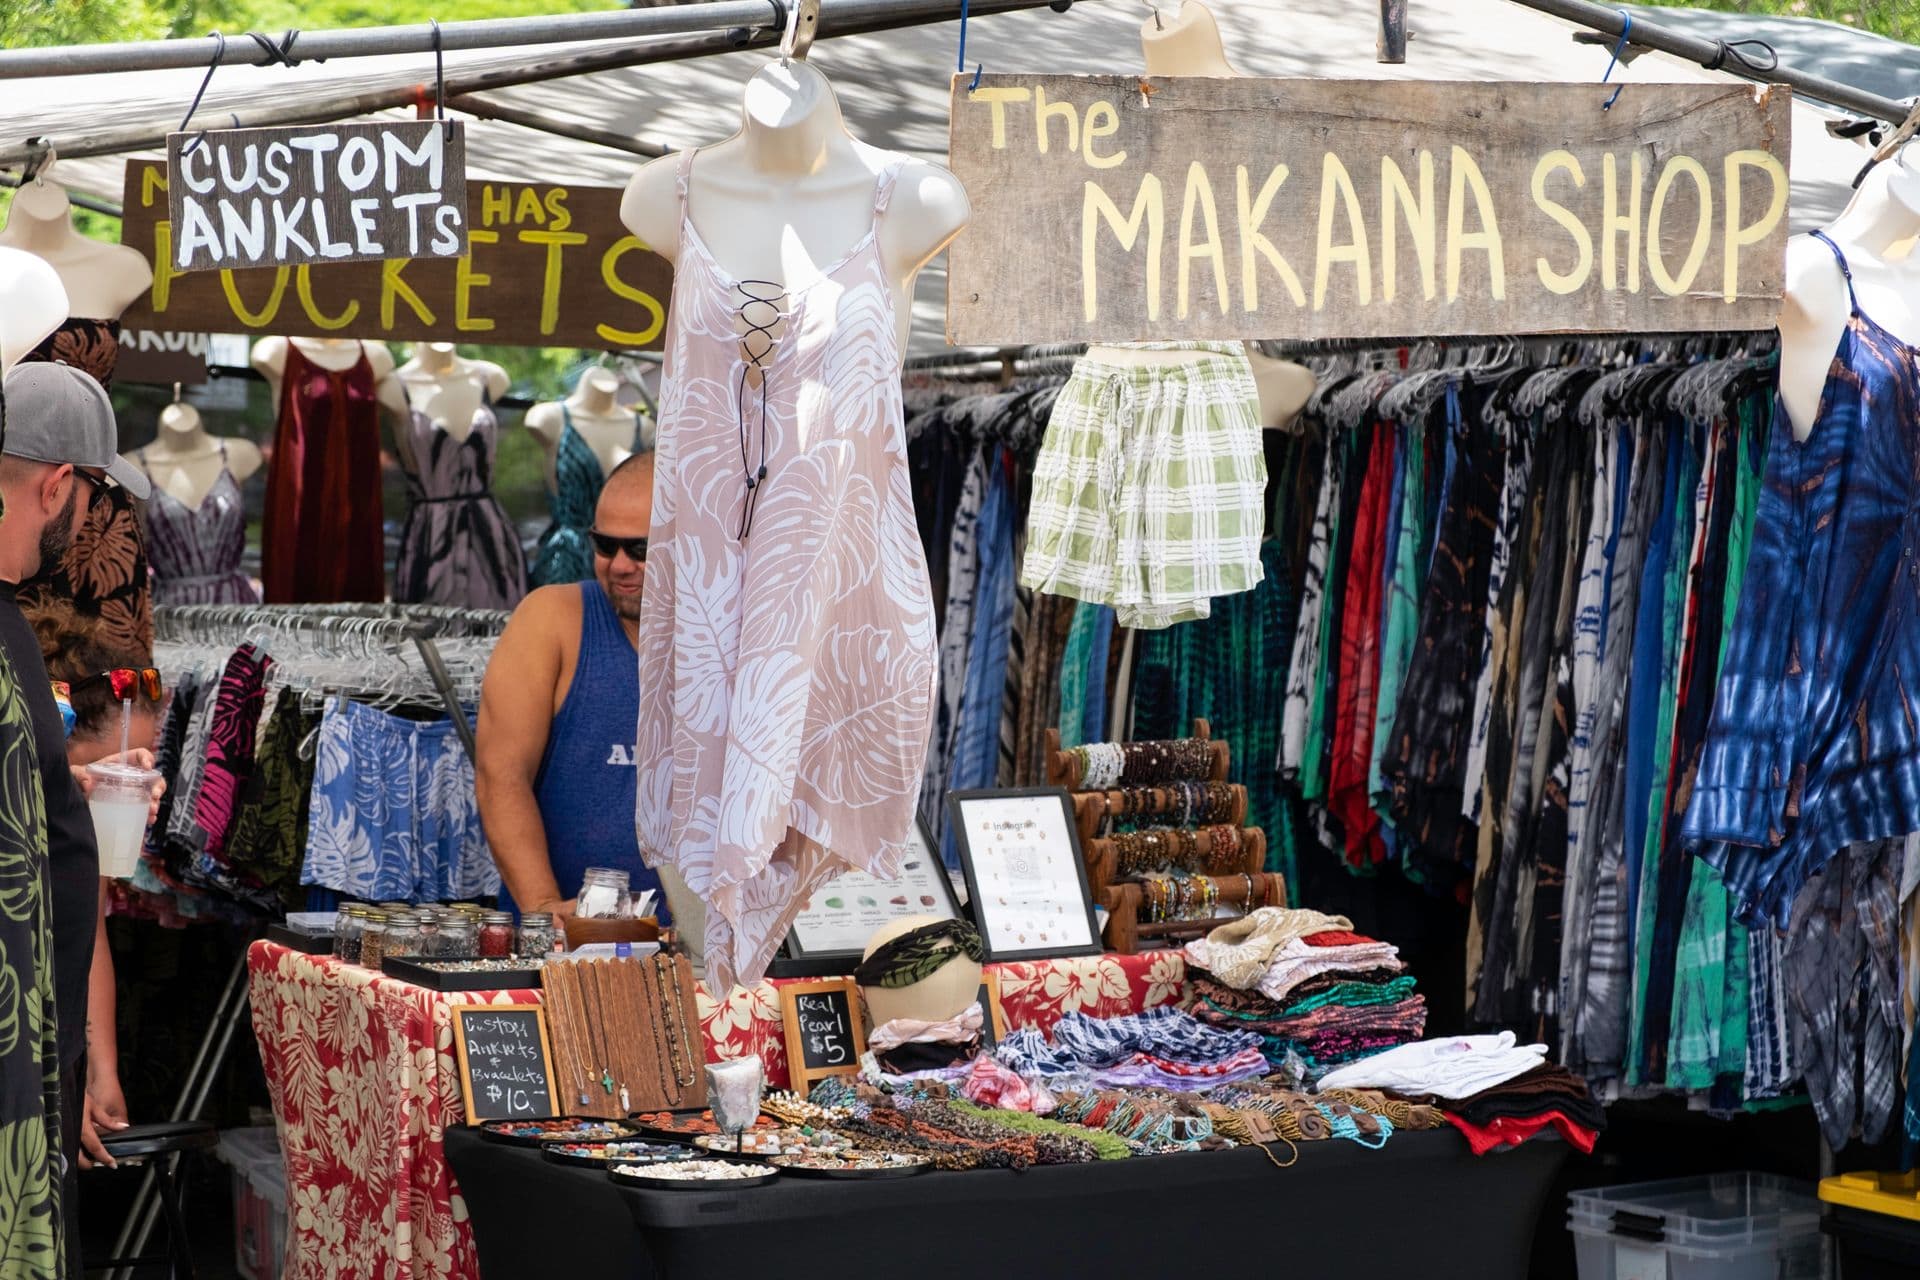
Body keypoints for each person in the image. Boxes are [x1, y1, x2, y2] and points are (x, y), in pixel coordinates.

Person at [0, 363, 159, 1276]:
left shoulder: (12, 626)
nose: (92, 530)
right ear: (59, 486)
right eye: (93, 504)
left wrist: (80, 784)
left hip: (28, 1060)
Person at [477, 451, 667, 924]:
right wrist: (542, 906)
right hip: (571, 953)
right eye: (605, 545)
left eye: (640, 549)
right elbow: (500, 774)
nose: (619, 565)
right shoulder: (553, 620)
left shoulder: (741, 637)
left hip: (715, 956)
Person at [27, 599, 162, 1171]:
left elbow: (90, 930)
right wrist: (54, 1082)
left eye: (143, 765)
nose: (127, 782)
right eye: (111, 767)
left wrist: (100, 1069)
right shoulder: (21, 818)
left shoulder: (86, 825)